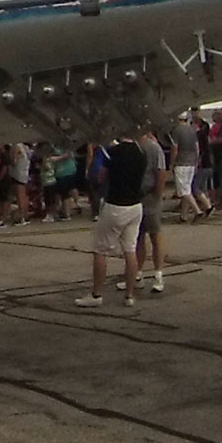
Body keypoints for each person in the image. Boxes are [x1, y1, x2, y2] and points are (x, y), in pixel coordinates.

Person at [76, 128, 147, 308]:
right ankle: (129, 295)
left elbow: (100, 176)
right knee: (130, 250)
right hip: (135, 204)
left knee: (100, 250)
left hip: (116, 203)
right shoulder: (141, 152)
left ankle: (97, 294)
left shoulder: (112, 152)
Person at [137, 125, 169, 293]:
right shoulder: (135, 147)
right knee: (138, 237)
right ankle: (137, 273)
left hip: (149, 196)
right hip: (136, 197)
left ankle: (158, 274)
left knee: (155, 235)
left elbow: (161, 172)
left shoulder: (153, 147)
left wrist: (157, 194)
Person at [169, 112, 212, 221]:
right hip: (192, 162)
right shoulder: (192, 130)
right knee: (187, 188)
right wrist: (196, 161)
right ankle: (184, 215)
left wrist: (172, 163)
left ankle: (198, 211)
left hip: (181, 162)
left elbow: (175, 148)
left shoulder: (176, 131)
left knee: (183, 191)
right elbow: (197, 147)